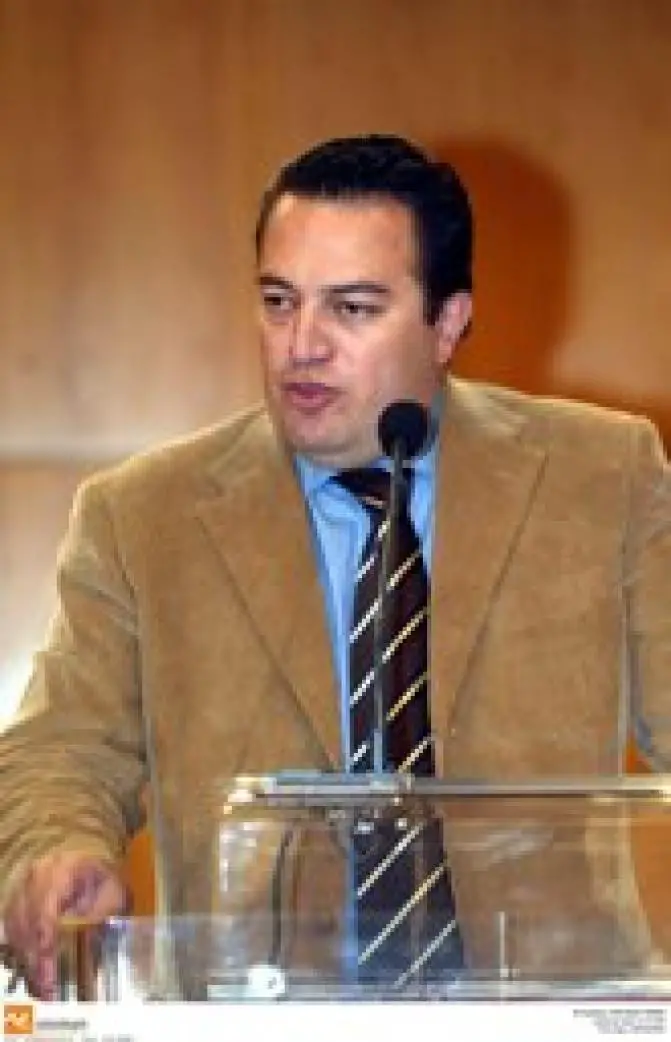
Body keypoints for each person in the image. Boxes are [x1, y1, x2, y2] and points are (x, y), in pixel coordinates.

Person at [0, 133, 669, 999]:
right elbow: (62, 752)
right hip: (254, 1013)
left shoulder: (599, 477)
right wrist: (56, 852)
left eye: (351, 308)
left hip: (549, 1012)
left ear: (446, 323)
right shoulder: (142, 518)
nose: (301, 344)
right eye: (279, 301)